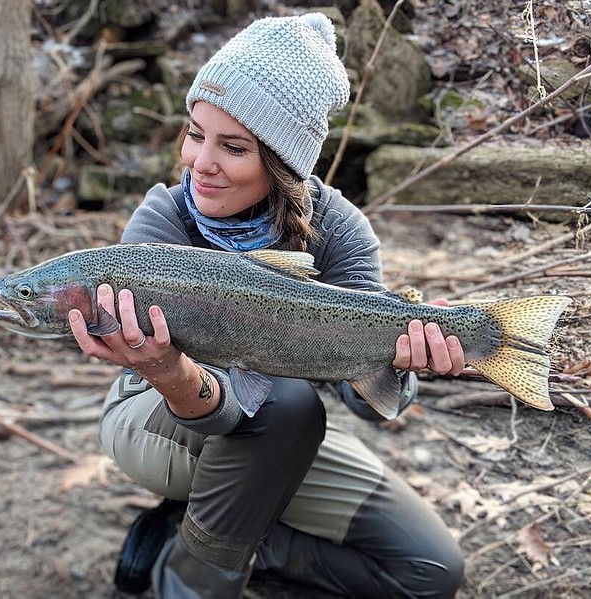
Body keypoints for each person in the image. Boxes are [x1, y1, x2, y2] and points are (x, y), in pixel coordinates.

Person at [68, 13, 466, 598]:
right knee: (289, 405)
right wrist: (163, 369)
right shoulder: (164, 219)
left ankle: (206, 539)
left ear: (282, 163)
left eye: (233, 147)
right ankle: (186, 582)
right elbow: (224, 404)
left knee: (430, 573)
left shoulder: (339, 231)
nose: (201, 162)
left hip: (285, 432)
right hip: (159, 414)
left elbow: (371, 398)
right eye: (195, 133)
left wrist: (405, 360)